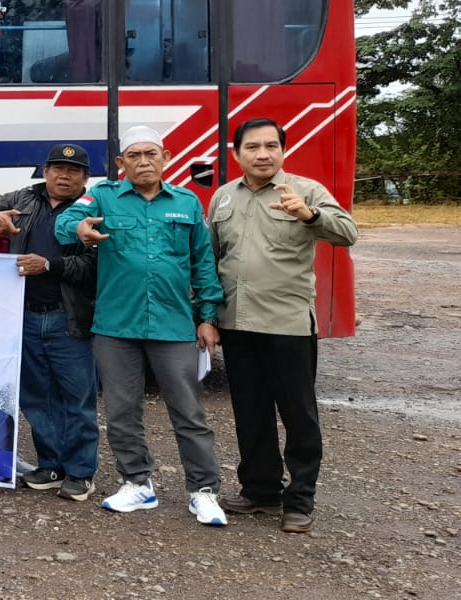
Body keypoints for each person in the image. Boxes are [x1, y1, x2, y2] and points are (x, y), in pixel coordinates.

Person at [54, 125, 228, 526]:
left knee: (188, 412)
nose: (144, 161)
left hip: (173, 326)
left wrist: (207, 317)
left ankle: (203, 490)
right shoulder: (102, 197)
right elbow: (68, 222)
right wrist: (78, 229)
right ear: (121, 163)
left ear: (165, 158)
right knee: (121, 411)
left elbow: (203, 263)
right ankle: (137, 483)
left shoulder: (185, 203)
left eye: (152, 154)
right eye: (135, 155)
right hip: (116, 326)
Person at [209, 118, 358, 534]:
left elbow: (347, 233)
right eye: (253, 147)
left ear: (282, 150)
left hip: (288, 324)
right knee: (250, 412)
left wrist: (309, 215)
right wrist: (206, 315)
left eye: (271, 146)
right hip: (237, 323)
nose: (263, 154)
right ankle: (260, 491)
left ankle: (300, 500)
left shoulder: (306, 191)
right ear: (236, 154)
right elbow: (212, 259)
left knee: (299, 415)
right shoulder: (223, 198)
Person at [0, 143, 99, 501]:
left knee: (77, 398)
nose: (63, 175)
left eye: (73, 171)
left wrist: (50, 265)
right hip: (23, 316)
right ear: (45, 171)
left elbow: (93, 269)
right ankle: (52, 465)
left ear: (85, 178)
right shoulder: (24, 198)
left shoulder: (94, 210)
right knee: (36, 397)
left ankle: (82, 471)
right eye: (57, 168)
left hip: (68, 318)